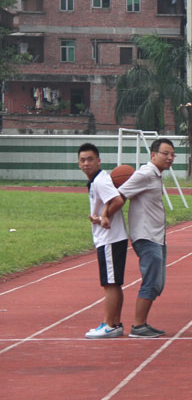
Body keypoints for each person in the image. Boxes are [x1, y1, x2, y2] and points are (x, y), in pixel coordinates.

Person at [105, 137, 176, 338]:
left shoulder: (156, 175)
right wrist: (104, 215)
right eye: (165, 153)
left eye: (172, 154)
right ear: (153, 155)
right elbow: (120, 195)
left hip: (157, 236)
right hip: (145, 237)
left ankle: (141, 323)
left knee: (158, 283)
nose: (170, 158)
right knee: (152, 280)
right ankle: (138, 326)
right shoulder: (145, 173)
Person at [78, 143, 128, 339]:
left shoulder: (101, 181)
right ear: (78, 164)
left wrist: (103, 217)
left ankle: (109, 324)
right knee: (113, 283)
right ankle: (115, 323)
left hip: (110, 239)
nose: (86, 163)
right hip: (111, 239)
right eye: (82, 160)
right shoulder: (97, 181)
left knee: (110, 284)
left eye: (90, 159)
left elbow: (117, 200)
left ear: (98, 161)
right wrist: (99, 217)